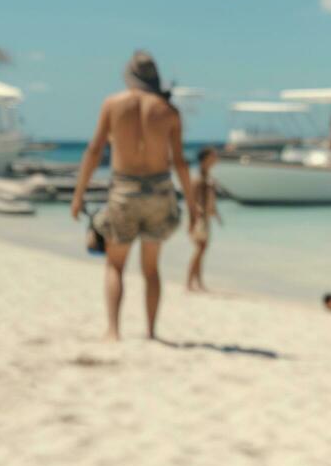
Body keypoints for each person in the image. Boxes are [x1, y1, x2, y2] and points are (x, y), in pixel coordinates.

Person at [70, 51, 195, 341]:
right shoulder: (168, 110)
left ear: (129, 76)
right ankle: (151, 332)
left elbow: (94, 151)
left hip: (124, 191)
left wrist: (79, 195)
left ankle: (113, 330)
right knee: (151, 269)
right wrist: (193, 206)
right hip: (160, 193)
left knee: (115, 265)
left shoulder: (112, 104)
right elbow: (180, 162)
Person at [187, 147, 222, 292]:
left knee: (201, 250)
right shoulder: (199, 177)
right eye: (213, 157)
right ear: (205, 159)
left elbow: (209, 200)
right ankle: (189, 282)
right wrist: (192, 220)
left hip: (204, 219)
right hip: (199, 219)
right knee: (200, 250)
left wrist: (216, 215)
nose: (216, 159)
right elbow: (192, 199)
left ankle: (198, 282)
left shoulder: (207, 177)